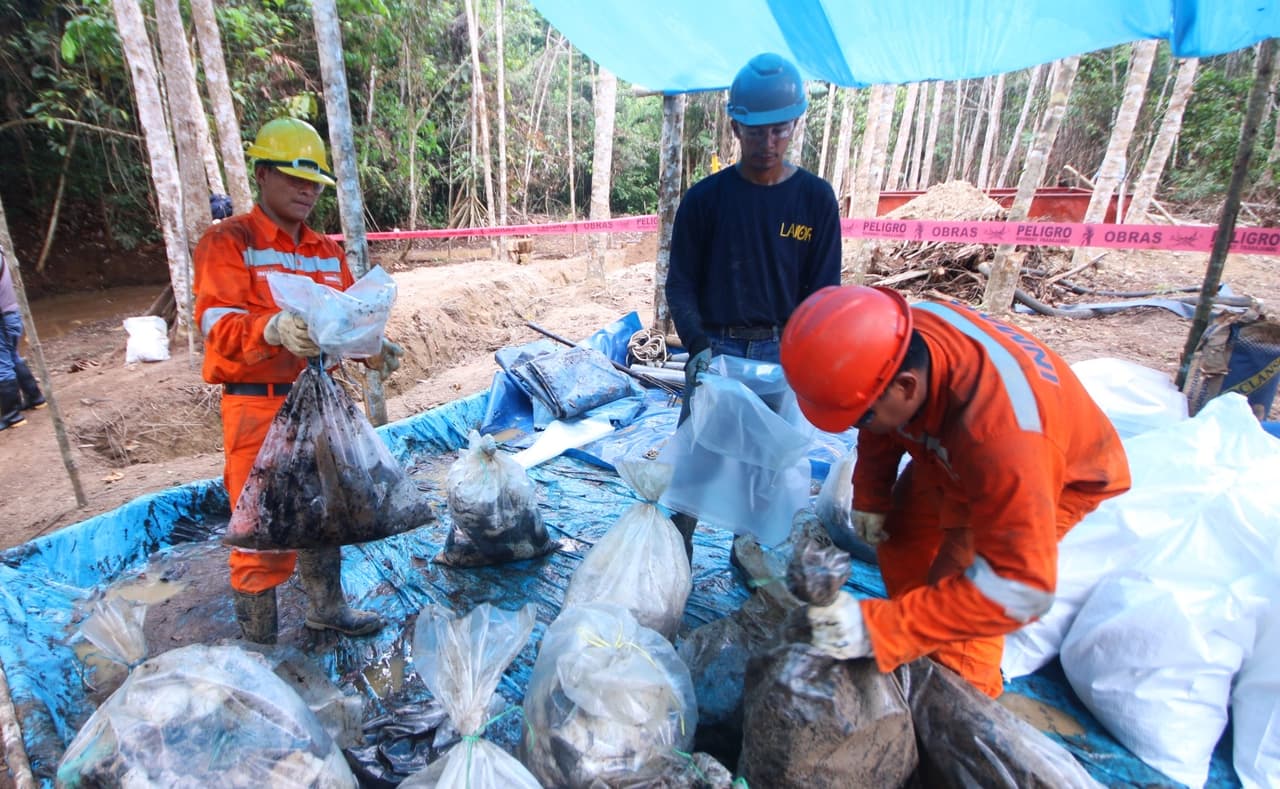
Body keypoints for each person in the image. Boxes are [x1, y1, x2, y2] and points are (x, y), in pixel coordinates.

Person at [780, 285, 1131, 697]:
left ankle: (960, 705)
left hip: (1050, 470)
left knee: (962, 608)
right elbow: (877, 415)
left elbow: (1018, 588)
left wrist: (881, 629)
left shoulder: (1007, 445)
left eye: (860, 419)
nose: (861, 428)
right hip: (951, 440)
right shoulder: (900, 340)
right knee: (900, 533)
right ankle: (913, 650)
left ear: (907, 388)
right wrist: (872, 494)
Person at [193, 117, 404, 644]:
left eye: (314, 183)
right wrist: (271, 327)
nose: (307, 191)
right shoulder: (229, 242)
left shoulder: (325, 251)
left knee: (323, 509)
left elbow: (350, 318)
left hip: (322, 401)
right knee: (260, 525)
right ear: (262, 174)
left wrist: (372, 349)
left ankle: (327, 609)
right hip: (259, 408)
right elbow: (215, 325)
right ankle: (257, 650)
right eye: (294, 178)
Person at [664, 52, 842, 557]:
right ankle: (675, 563)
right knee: (695, 473)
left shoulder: (814, 202)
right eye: (757, 131)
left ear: (795, 124)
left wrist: (805, 356)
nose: (768, 144)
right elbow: (680, 285)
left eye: (780, 131)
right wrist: (697, 345)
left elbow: (823, 293)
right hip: (716, 353)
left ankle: (752, 564)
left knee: (766, 478)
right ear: (735, 126)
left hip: (780, 356)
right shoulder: (706, 202)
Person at [0, 245, 46, 430]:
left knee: (3, 364)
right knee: (12, 357)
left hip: (2, 317)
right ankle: (35, 398)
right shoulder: (3, 251)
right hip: (11, 314)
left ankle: (12, 416)